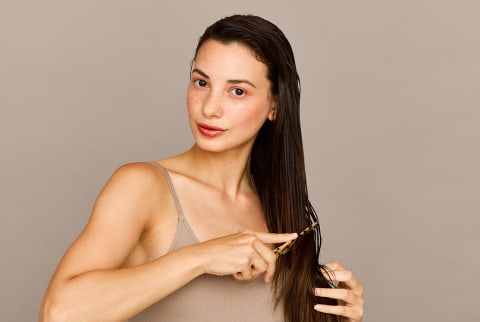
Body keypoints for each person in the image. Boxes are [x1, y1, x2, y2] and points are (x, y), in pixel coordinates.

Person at [40, 14, 364, 322]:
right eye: (201, 82)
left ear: (275, 107)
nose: (210, 107)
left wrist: (339, 317)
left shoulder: (281, 213)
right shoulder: (142, 187)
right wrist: (201, 257)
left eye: (237, 91)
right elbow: (59, 314)